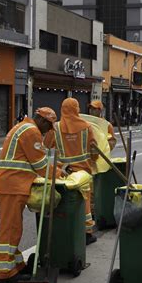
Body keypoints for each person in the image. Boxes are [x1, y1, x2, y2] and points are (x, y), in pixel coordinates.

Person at [0, 107, 60, 283]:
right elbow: (40, 164)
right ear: (43, 120)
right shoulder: (31, 131)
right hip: (12, 185)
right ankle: (5, 272)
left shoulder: (22, 127)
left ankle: (16, 264)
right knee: (10, 228)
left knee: (13, 227)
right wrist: (62, 175)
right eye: (49, 126)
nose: (48, 131)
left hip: (11, 185)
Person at [45, 98, 98, 245]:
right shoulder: (86, 127)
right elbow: (94, 149)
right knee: (84, 200)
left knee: (64, 201)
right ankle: (86, 233)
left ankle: (64, 229)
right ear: (76, 109)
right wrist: (94, 160)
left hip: (63, 172)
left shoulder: (55, 128)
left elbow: (46, 145)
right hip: (83, 171)